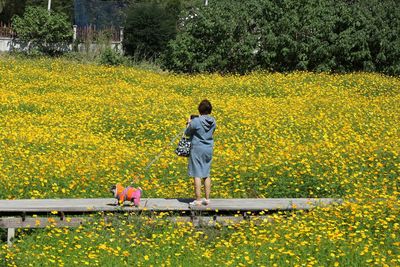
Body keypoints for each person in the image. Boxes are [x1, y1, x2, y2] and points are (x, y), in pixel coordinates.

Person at [185, 99, 216, 206]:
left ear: (199, 110)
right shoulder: (213, 121)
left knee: (197, 173)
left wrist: (189, 123)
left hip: (197, 148)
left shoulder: (196, 121)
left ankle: (198, 200)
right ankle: (207, 199)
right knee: (206, 173)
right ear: (210, 110)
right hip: (208, 148)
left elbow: (187, 133)